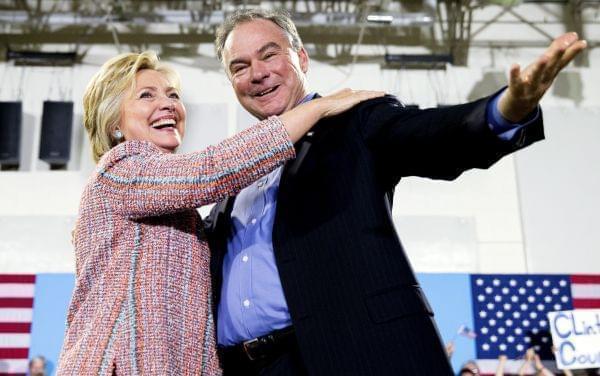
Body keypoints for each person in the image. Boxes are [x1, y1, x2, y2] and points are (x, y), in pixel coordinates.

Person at [205, 9, 587, 376]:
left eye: (269, 54)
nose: (257, 73)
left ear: (301, 58)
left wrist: (505, 111)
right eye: (239, 66)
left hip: (355, 353)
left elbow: (428, 133)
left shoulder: (353, 119)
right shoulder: (234, 173)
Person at [55, 50, 382, 375]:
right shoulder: (120, 171)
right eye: (146, 95)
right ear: (114, 123)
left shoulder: (164, 199)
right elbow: (215, 168)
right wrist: (318, 107)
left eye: (173, 95)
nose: (168, 103)